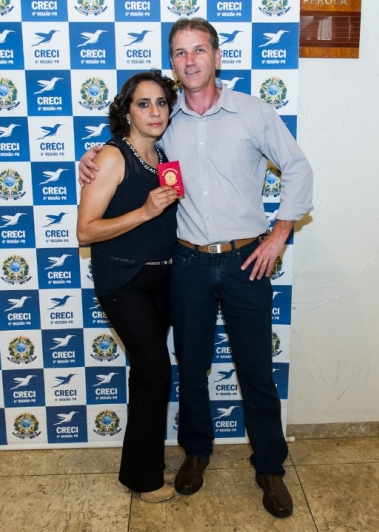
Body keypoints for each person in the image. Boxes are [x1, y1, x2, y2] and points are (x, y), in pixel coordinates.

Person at [79, 18, 313, 518]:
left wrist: (279, 234)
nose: (190, 61)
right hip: (186, 263)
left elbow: (297, 167)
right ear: (173, 61)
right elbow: (130, 149)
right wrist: (92, 157)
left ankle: (269, 466)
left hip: (246, 260)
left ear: (217, 55)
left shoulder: (253, 111)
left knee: (256, 370)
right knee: (191, 368)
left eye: (199, 50)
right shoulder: (166, 120)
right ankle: (196, 452)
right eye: (180, 53)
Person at [75, 70, 179, 503]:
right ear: (127, 112)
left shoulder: (163, 156)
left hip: (164, 280)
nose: (154, 112)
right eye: (143, 103)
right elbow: (85, 231)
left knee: (147, 374)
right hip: (125, 282)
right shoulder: (113, 157)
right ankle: (145, 479)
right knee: (155, 370)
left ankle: (143, 463)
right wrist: (144, 211)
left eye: (161, 102)